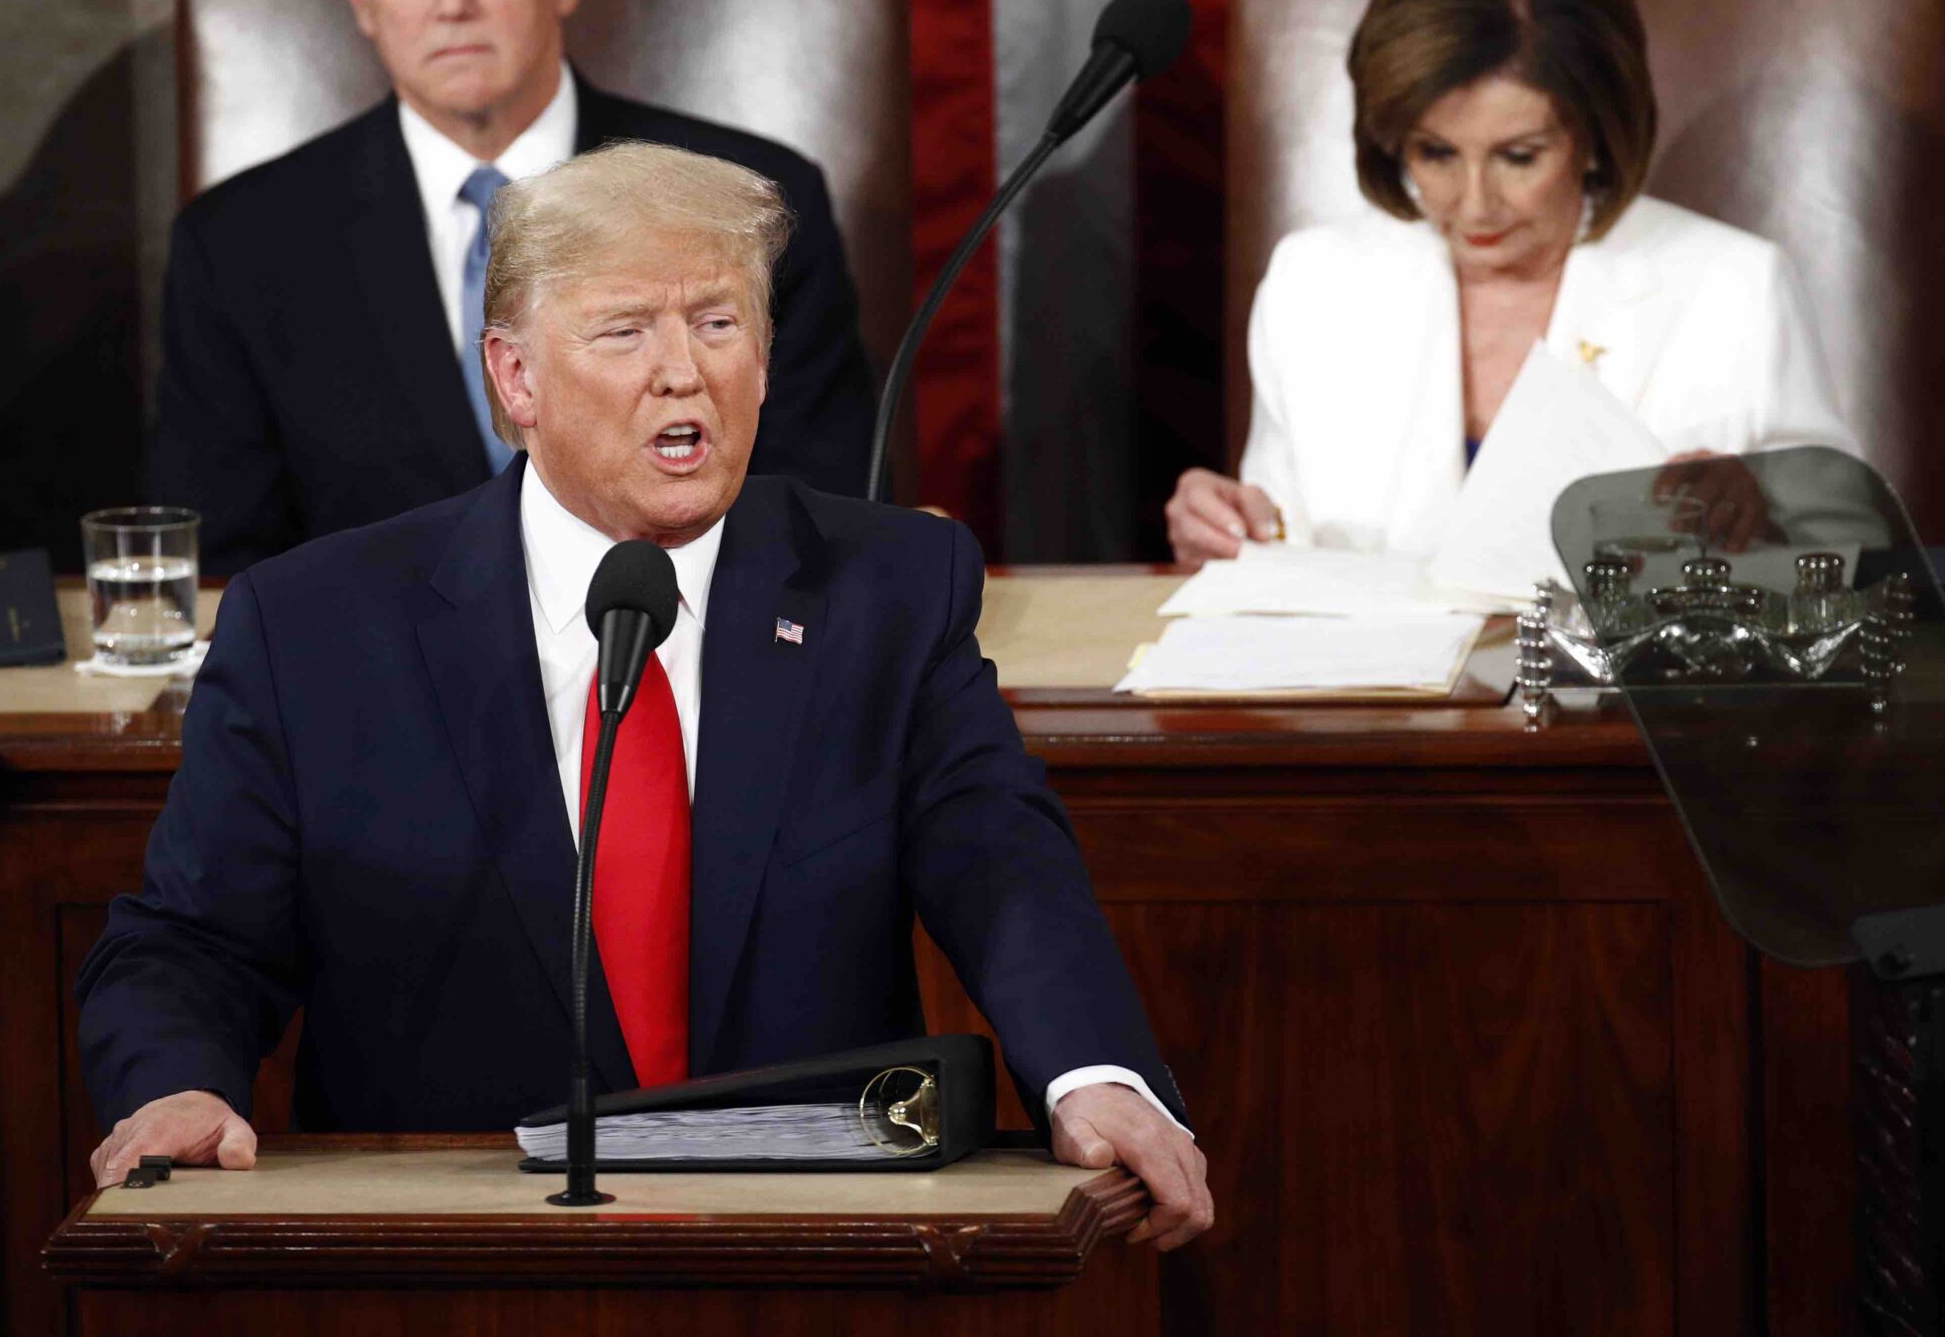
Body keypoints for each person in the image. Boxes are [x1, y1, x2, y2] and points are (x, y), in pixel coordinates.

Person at [81, 142, 1213, 1250]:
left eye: (718, 324)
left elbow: (1001, 865)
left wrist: (1091, 1070)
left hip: (811, 1253)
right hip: (449, 1258)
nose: (685, 371)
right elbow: (192, 941)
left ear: (764, 360)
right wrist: (178, 1087)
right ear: (515, 377)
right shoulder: (317, 627)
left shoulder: (889, 593)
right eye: (626, 331)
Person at [155, 0, 878, 575]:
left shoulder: (752, 203)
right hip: (374, 688)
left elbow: (818, 525)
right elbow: (227, 573)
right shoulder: (240, 246)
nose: (452, 2)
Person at [1166, 0, 1857, 564]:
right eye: (1435, 154)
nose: (1473, 204)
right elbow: (1281, 539)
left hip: (1623, 689)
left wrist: (1763, 511)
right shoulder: (1313, 282)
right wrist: (1228, 525)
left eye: (1518, 156)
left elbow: (1855, 553)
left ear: (1593, 136)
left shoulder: (1735, 287)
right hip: (1378, 689)